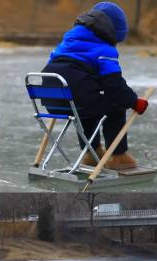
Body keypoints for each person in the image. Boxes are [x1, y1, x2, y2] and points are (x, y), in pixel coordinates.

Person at [41, 2, 149, 170]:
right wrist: (135, 102)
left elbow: (57, 68)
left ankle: (92, 153)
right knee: (115, 104)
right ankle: (119, 156)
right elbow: (114, 86)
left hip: (51, 100)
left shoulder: (67, 42)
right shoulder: (104, 50)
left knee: (83, 105)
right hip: (76, 98)